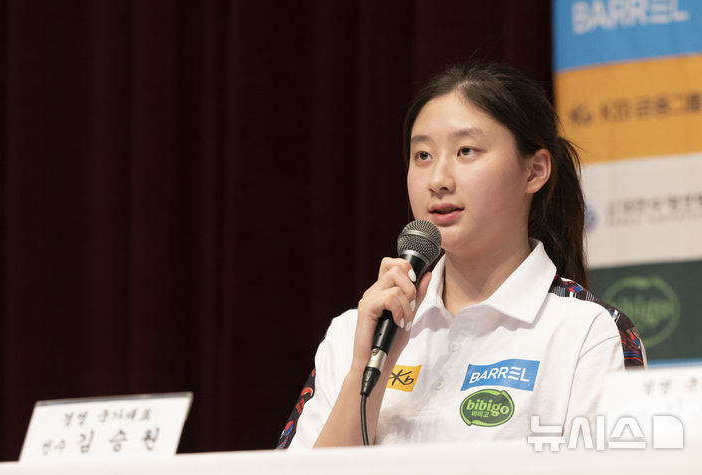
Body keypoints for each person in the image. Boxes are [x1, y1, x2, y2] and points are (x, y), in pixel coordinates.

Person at [276, 60, 646, 449]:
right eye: (422, 156)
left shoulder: (588, 331)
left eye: (466, 151)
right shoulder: (356, 330)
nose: (438, 180)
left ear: (535, 170)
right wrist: (366, 371)